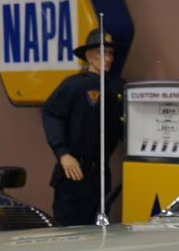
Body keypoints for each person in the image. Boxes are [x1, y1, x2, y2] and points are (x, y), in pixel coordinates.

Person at [41, 28, 124, 226]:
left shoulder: (116, 89)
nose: (108, 58)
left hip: (101, 175)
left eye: (111, 53)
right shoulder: (75, 85)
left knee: (99, 227)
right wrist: (62, 153)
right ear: (88, 56)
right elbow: (52, 114)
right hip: (74, 173)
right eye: (101, 52)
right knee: (69, 231)